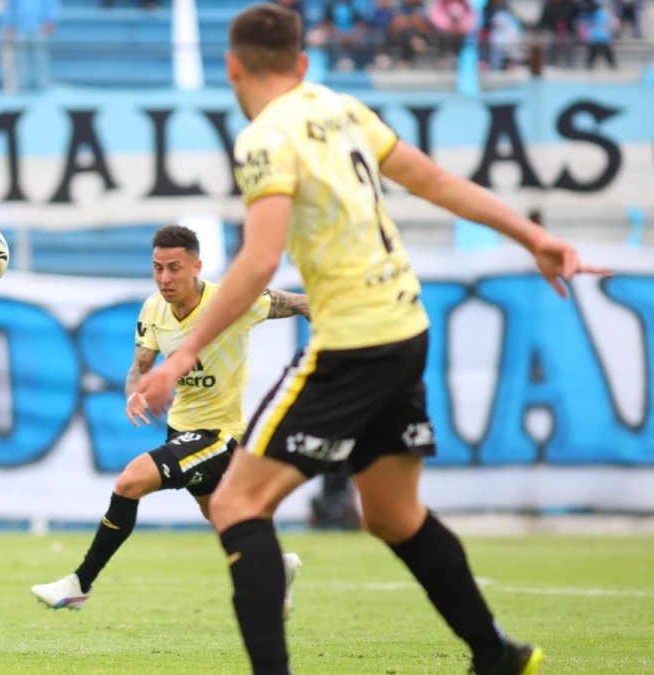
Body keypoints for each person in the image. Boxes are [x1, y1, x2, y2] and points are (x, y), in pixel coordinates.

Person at [134, 5, 611, 674]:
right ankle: (496, 654)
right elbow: (437, 182)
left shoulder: (265, 138)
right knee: (391, 514)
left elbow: (260, 258)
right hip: (406, 328)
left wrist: (183, 352)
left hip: (353, 340)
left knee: (238, 502)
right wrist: (535, 236)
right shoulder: (342, 109)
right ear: (302, 64)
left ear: (232, 67)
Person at [30, 224, 309, 614]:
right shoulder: (153, 309)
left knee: (130, 481)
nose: (165, 278)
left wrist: (342, 322)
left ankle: (80, 582)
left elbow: (297, 303)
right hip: (181, 429)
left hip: (220, 434)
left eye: (174, 268)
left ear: (196, 266)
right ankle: (276, 568)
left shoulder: (229, 302)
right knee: (225, 517)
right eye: (158, 268)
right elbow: (139, 368)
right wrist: (134, 393)